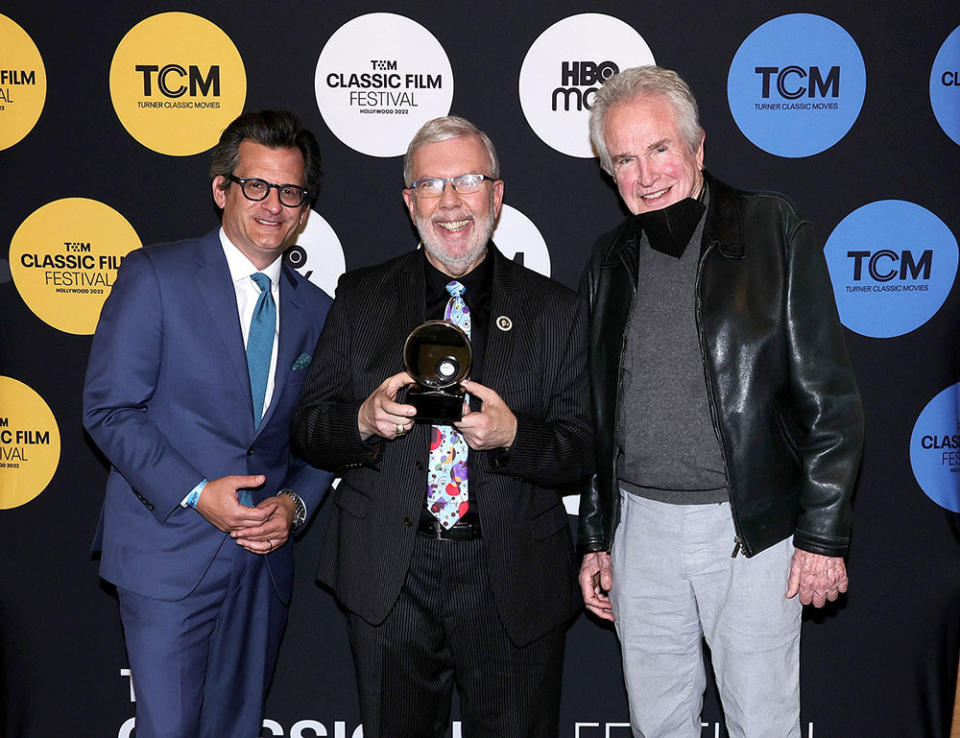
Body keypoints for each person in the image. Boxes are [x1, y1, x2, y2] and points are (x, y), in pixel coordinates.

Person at [577, 66, 864, 738]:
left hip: (751, 532)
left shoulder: (772, 228)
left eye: (660, 149)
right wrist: (596, 537)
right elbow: (595, 412)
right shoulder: (608, 258)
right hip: (640, 532)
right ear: (607, 170)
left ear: (698, 148)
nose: (646, 175)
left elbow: (832, 397)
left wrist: (822, 536)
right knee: (658, 724)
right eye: (624, 158)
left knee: (762, 724)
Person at [291, 115, 592, 737]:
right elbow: (311, 429)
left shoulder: (556, 310)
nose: (450, 202)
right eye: (431, 185)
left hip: (511, 579)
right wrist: (364, 422)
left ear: (497, 194)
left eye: (467, 180)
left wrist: (514, 436)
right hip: (388, 579)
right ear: (409, 203)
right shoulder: (360, 297)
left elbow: (584, 451)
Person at [83, 110, 334, 738]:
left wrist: (294, 508)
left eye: (290, 192)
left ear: (304, 207)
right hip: (168, 553)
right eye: (256, 186)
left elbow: (320, 436)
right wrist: (198, 493)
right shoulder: (154, 277)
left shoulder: (319, 311)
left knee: (236, 729)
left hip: (261, 564)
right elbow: (109, 409)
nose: (273, 205)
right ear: (222, 189)